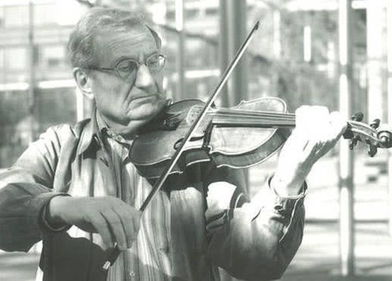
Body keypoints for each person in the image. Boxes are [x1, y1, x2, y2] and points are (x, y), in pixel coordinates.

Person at [0, 7, 347, 281]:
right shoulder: (61, 147)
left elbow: (254, 261)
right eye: (126, 67)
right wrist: (60, 208)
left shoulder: (200, 149)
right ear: (85, 81)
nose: (148, 80)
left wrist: (289, 179)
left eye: (153, 61)